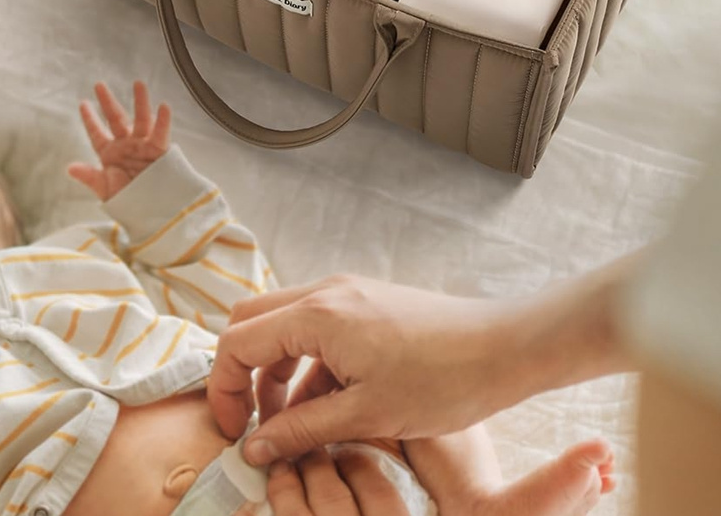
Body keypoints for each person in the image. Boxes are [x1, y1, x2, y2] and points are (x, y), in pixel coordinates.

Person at [0, 82, 615, 516]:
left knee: (366, 351)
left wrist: (156, 201)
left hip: (281, 439)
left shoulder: (81, 255)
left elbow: (238, 298)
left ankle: (478, 499)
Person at [207, 142, 721, 515]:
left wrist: (145, 187)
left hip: (348, 448)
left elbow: (193, 255)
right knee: (421, 394)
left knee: (409, 413)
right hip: (356, 485)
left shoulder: (165, 337)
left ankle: (477, 497)